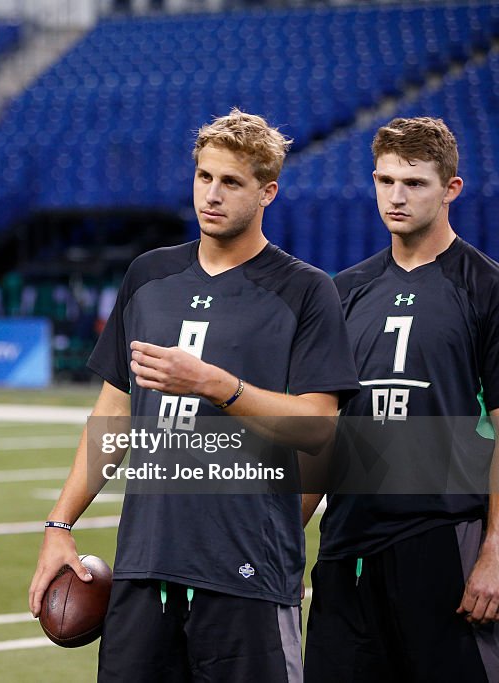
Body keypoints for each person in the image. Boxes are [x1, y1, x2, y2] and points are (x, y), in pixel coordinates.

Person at [28, 108, 359, 682]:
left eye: (231, 182)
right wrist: (59, 525)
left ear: (267, 192)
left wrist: (217, 385)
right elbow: (114, 413)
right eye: (204, 176)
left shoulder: (307, 291)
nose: (212, 194)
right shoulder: (149, 276)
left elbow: (317, 426)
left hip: (247, 571)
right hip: (145, 564)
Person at [304, 117, 499, 682]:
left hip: (444, 544)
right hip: (346, 548)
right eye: (386, 181)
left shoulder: (485, 289)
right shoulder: (343, 292)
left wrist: (495, 550)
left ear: (451, 189)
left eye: (414, 183)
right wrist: (285, 538)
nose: (397, 196)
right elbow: (323, 430)